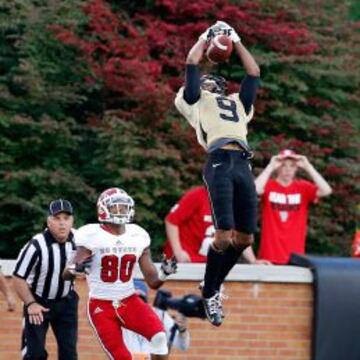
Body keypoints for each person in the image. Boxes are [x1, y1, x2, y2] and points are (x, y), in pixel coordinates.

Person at [174, 20, 261, 326]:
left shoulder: (238, 102)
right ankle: (211, 290)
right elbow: (191, 63)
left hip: (243, 163)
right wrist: (204, 37)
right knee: (223, 233)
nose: (211, 84)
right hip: (220, 160)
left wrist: (235, 41)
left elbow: (253, 72)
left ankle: (212, 286)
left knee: (246, 237)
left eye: (215, 82)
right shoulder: (196, 102)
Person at [64, 187, 177, 360]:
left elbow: (153, 282)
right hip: (102, 306)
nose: (121, 211)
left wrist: (164, 273)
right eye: (116, 207)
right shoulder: (91, 235)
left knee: (160, 338)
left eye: (124, 207)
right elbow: (66, 274)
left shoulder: (138, 235)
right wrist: (74, 269)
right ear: (103, 210)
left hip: (129, 300)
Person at [12, 199, 78, 360]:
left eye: (66, 218)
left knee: (69, 355)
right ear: (48, 221)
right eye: (57, 218)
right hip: (39, 302)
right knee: (34, 355)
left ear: (72, 221)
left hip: (66, 301)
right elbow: (18, 277)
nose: (62, 223)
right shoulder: (36, 245)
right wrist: (31, 303)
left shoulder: (80, 240)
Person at [255, 149, 332, 264]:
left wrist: (308, 167)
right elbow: (254, 190)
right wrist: (270, 167)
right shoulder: (268, 186)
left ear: (297, 168)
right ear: (278, 167)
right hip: (268, 256)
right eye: (283, 165)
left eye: (292, 166)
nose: (288, 169)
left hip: (295, 256)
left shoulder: (303, 187)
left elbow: (326, 190)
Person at [164, 185, 271, 265]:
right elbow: (171, 221)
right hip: (185, 262)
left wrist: (253, 260)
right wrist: (178, 252)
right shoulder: (198, 195)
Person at [123, 279, 190, 359]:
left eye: (141, 299)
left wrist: (182, 330)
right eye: (134, 300)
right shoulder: (118, 316)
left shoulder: (158, 314)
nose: (137, 304)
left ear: (146, 301)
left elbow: (183, 345)